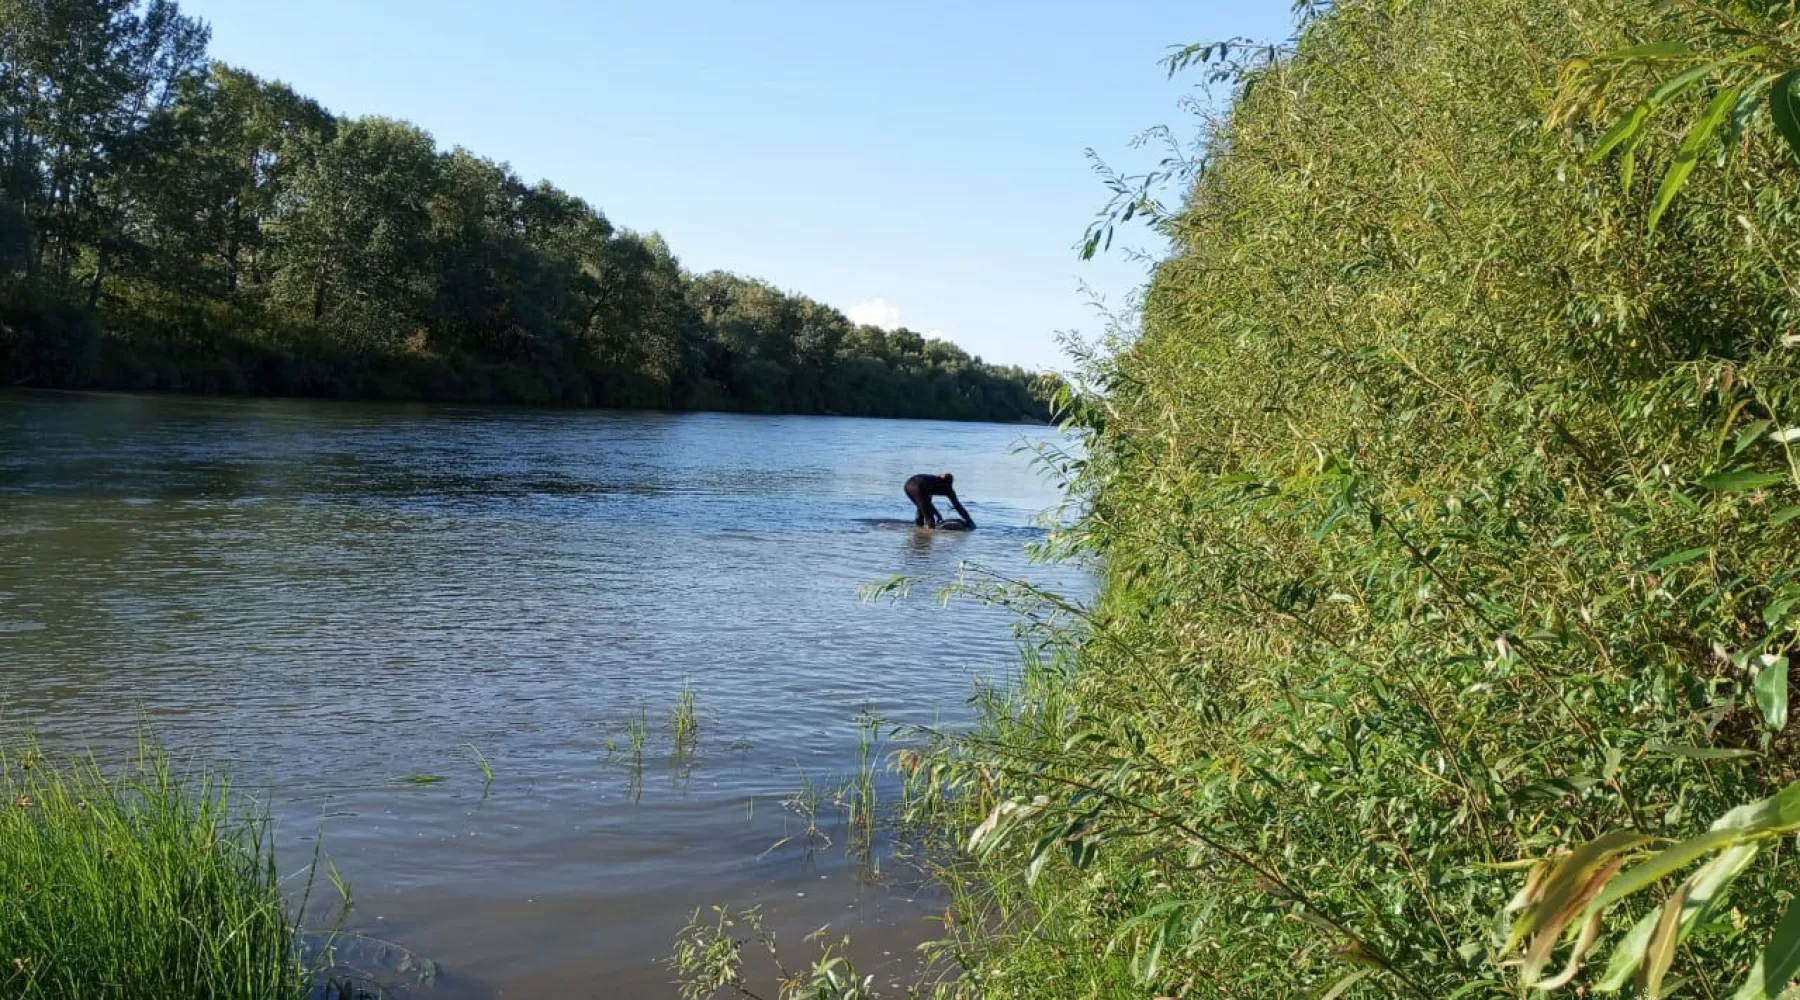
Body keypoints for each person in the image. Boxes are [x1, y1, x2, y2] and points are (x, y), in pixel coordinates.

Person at [904, 472, 975, 529]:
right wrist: (969, 520)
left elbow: (928, 504)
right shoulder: (948, 488)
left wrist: (938, 515)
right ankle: (927, 536)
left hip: (907, 485)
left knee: (921, 508)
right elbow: (958, 506)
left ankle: (919, 529)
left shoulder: (933, 481)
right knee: (929, 518)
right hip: (918, 486)